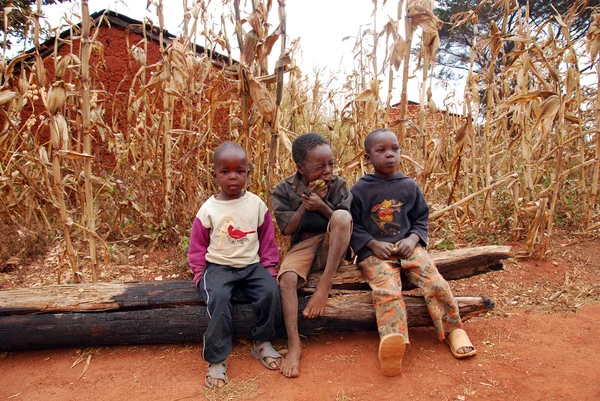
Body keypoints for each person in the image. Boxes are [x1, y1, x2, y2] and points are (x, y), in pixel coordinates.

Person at [350, 128, 476, 377]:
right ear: (367, 158)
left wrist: (413, 238)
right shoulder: (360, 190)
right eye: (381, 150)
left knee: (435, 281)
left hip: (408, 248)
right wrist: (372, 244)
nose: (390, 155)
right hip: (375, 253)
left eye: (394, 149)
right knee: (386, 289)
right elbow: (352, 225)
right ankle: (393, 340)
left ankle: (454, 330)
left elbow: (421, 218)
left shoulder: (409, 186)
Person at [187, 142, 283, 389]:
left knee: (271, 292)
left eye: (239, 171)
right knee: (218, 299)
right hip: (218, 267)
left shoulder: (256, 204)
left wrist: (269, 268)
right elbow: (197, 245)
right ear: (215, 175)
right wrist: (199, 273)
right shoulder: (209, 209)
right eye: (225, 171)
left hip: (251, 266)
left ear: (248, 174)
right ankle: (217, 359)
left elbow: (266, 238)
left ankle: (262, 341)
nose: (233, 177)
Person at [272, 133, 353, 378]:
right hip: (304, 245)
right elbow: (287, 229)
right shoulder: (284, 189)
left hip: (333, 244)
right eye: (320, 167)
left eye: (331, 163)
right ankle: (295, 344)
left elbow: (346, 223)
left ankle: (324, 285)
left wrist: (322, 206)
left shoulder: (338, 184)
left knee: (341, 216)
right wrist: (303, 206)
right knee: (286, 279)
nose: (328, 171)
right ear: (301, 168)